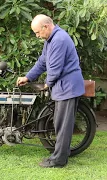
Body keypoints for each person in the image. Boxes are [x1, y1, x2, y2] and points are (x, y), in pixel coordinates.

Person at [16, 14, 85, 168]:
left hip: (68, 88)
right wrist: (28, 77)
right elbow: (42, 62)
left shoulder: (59, 40)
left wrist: (47, 84)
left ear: (46, 27)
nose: (37, 36)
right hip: (64, 87)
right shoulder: (50, 40)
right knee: (60, 124)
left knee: (63, 125)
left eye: (37, 32)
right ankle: (61, 155)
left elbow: (55, 68)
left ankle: (58, 160)